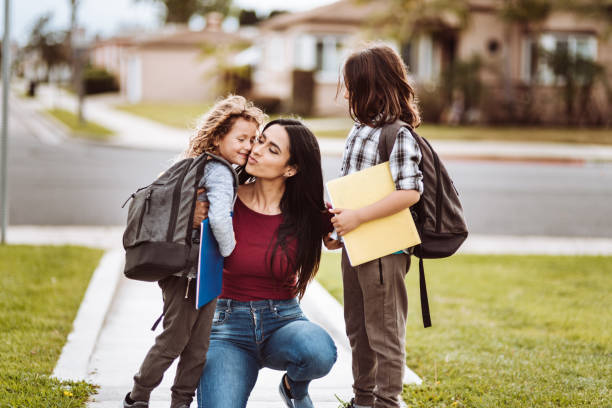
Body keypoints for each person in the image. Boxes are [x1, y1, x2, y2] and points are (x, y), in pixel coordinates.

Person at [122, 95, 266, 408]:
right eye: (241, 138)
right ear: (217, 137)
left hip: (197, 274)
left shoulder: (199, 165)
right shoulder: (220, 172)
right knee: (176, 340)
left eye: (253, 139)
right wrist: (231, 251)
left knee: (198, 345)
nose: (248, 145)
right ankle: (138, 397)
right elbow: (218, 219)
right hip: (190, 274)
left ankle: (181, 402)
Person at [195, 119, 338, 408]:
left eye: (272, 149)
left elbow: (342, 232)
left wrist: (341, 234)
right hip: (226, 327)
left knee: (319, 352)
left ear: (291, 168)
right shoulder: (224, 200)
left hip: (283, 320)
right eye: (259, 140)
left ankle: (294, 387)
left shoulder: (308, 214)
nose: (256, 150)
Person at [328, 43, 424, 408]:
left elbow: (408, 193)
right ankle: (363, 399)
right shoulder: (359, 130)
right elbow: (352, 189)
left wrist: (358, 217)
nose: (348, 92)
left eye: (352, 85)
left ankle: (387, 401)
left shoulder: (397, 133)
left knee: (383, 332)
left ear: (372, 86)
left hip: (384, 250)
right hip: (356, 245)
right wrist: (338, 228)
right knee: (357, 327)